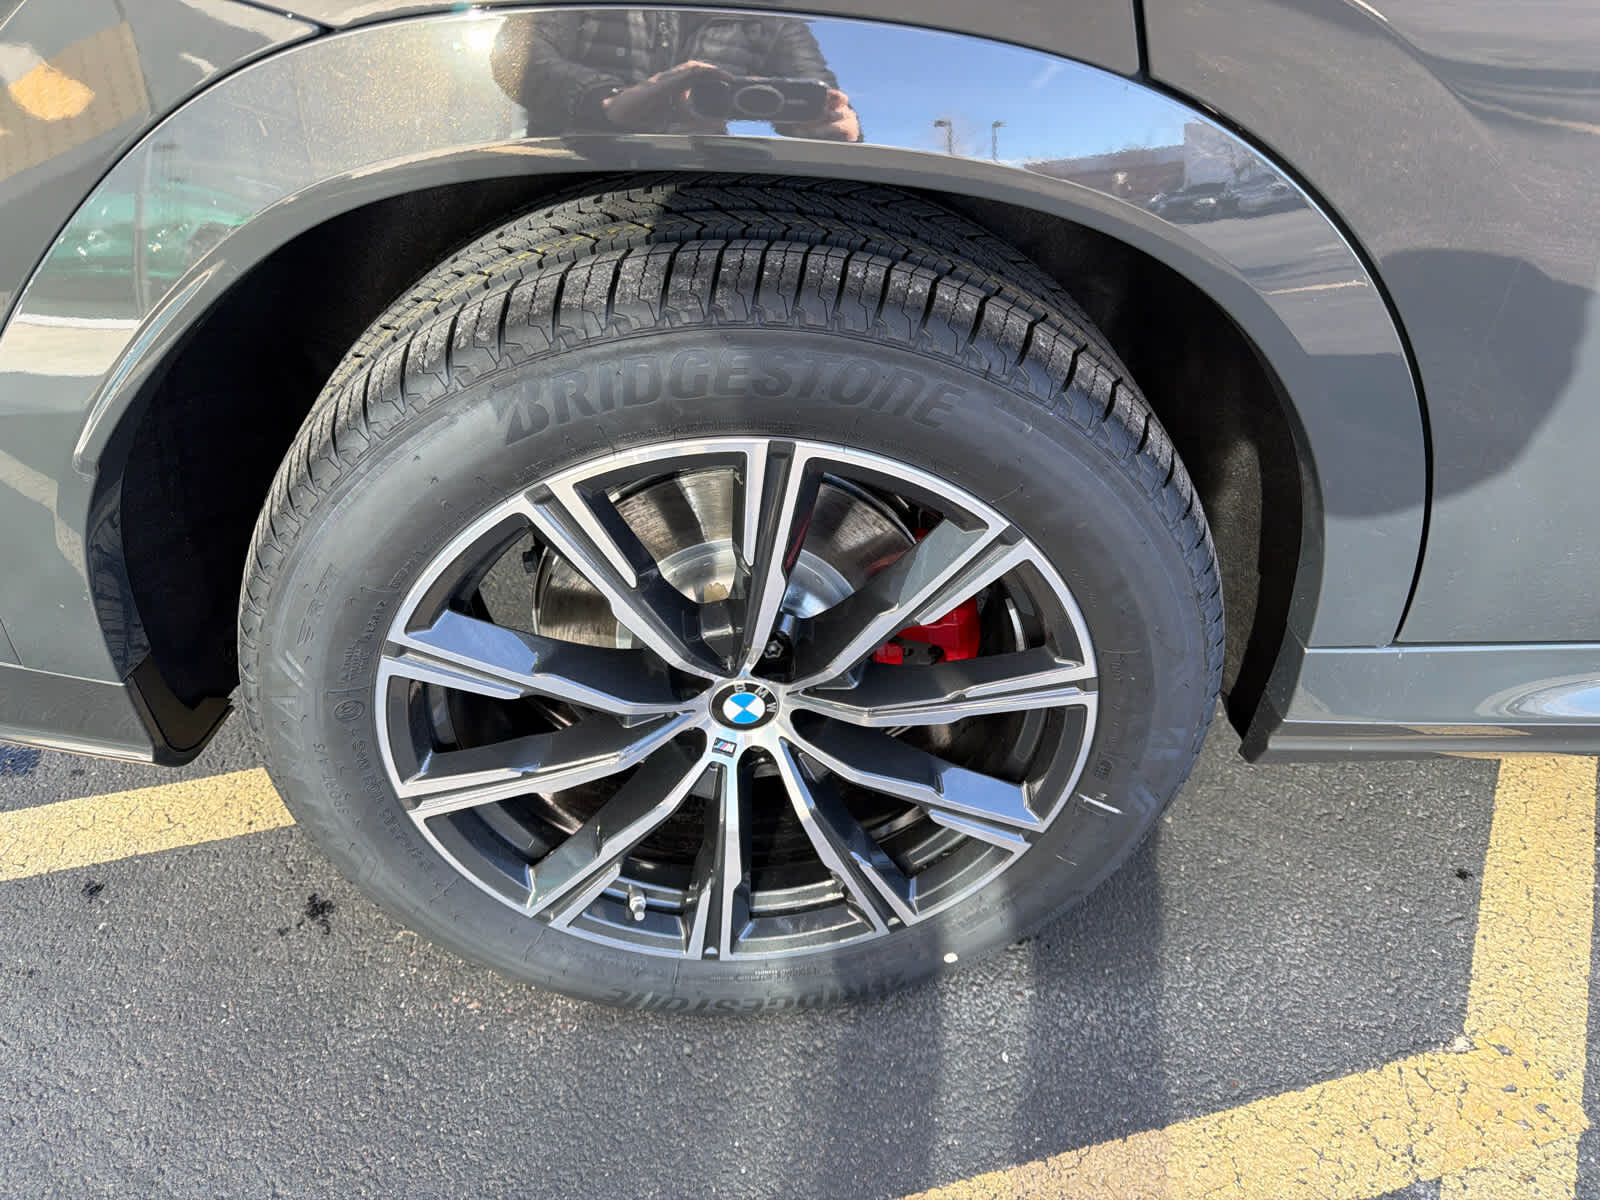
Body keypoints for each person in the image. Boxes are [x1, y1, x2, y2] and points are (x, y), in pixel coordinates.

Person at [491, 11, 861, 142]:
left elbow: (819, 90)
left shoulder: (771, 17)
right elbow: (516, 55)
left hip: (708, 182)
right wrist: (604, 100)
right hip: (576, 165)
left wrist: (833, 124)